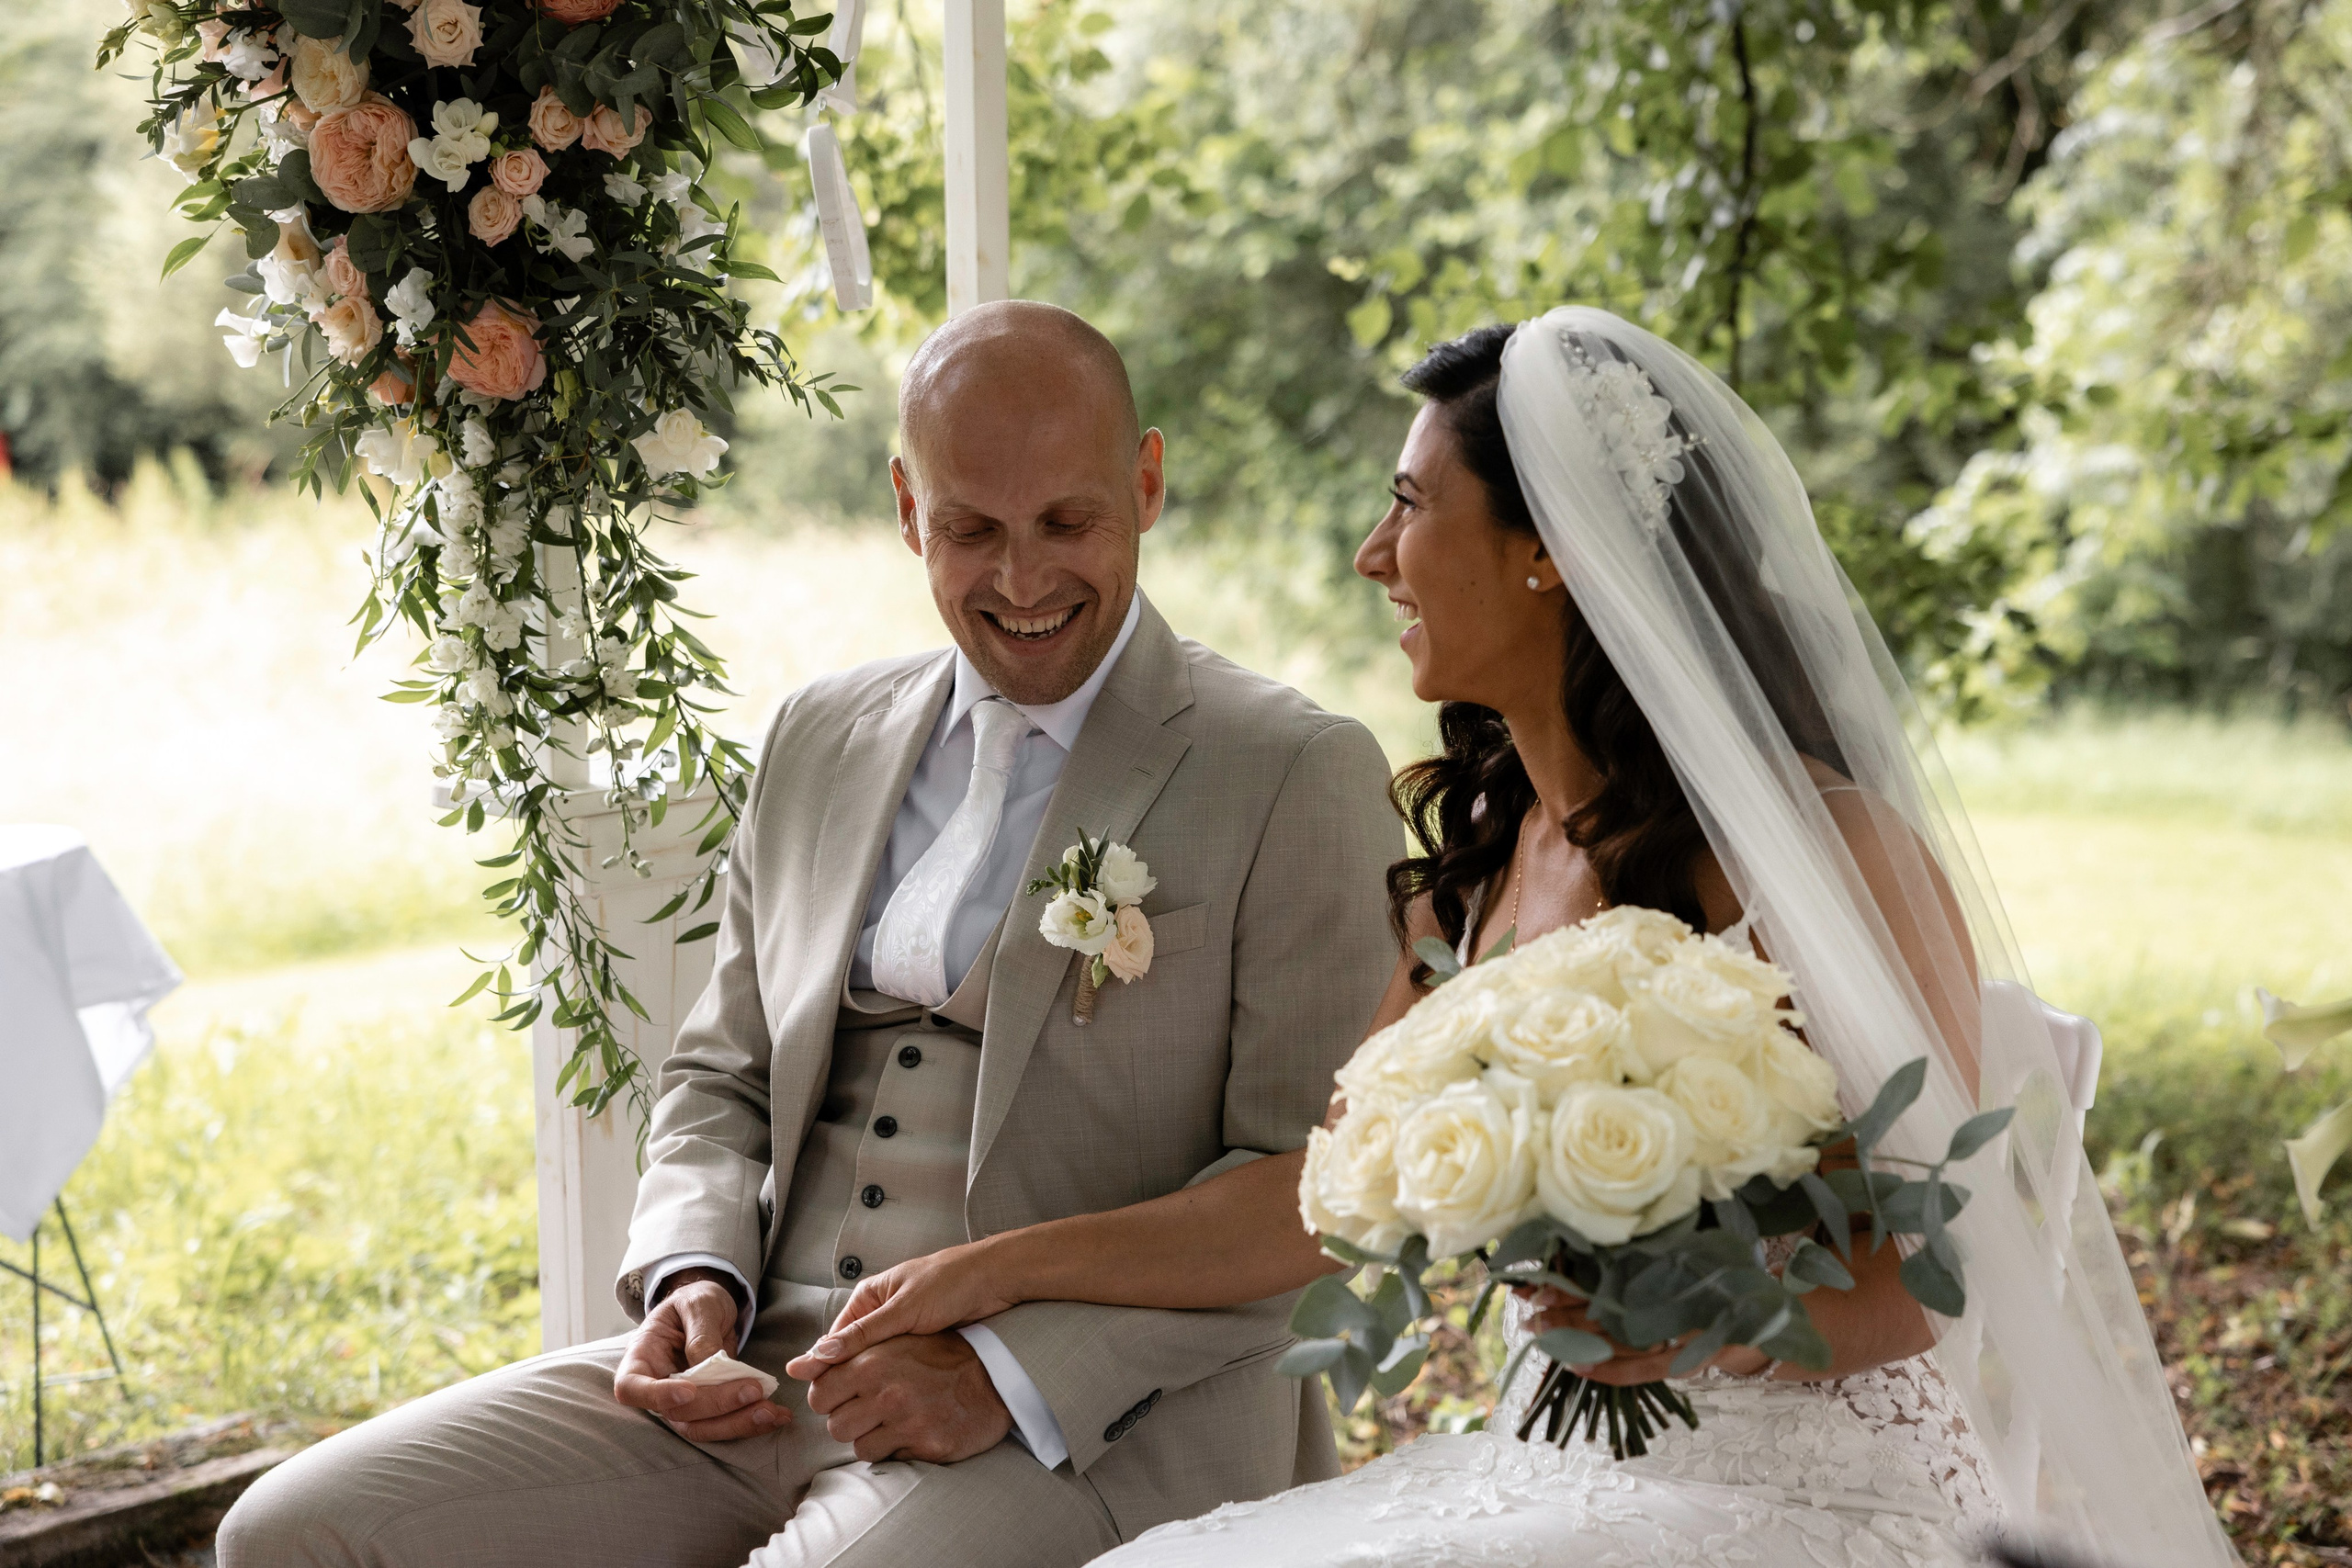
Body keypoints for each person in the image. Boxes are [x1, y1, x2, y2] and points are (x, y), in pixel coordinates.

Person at [788, 310, 2238, 1568]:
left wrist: (1686, 1317)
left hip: (1810, 1492)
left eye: (1410, 507)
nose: (1373, 555)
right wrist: (994, 1271)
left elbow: (1926, 1277)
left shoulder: (1823, 856)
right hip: (1549, 1464)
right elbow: (1312, 1202)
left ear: (1548, 553)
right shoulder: (1468, 882)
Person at [216, 299, 1404, 1567]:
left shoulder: (1291, 771)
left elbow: (1310, 1203)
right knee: (291, 1535)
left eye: (1067, 522)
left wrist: (1001, 1371)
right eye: (970, 529)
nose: (1020, 580)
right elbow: (719, 1075)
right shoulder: (817, 737)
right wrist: (691, 1279)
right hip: (763, 1374)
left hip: (1084, 1426)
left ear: (1148, 483)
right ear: (906, 507)